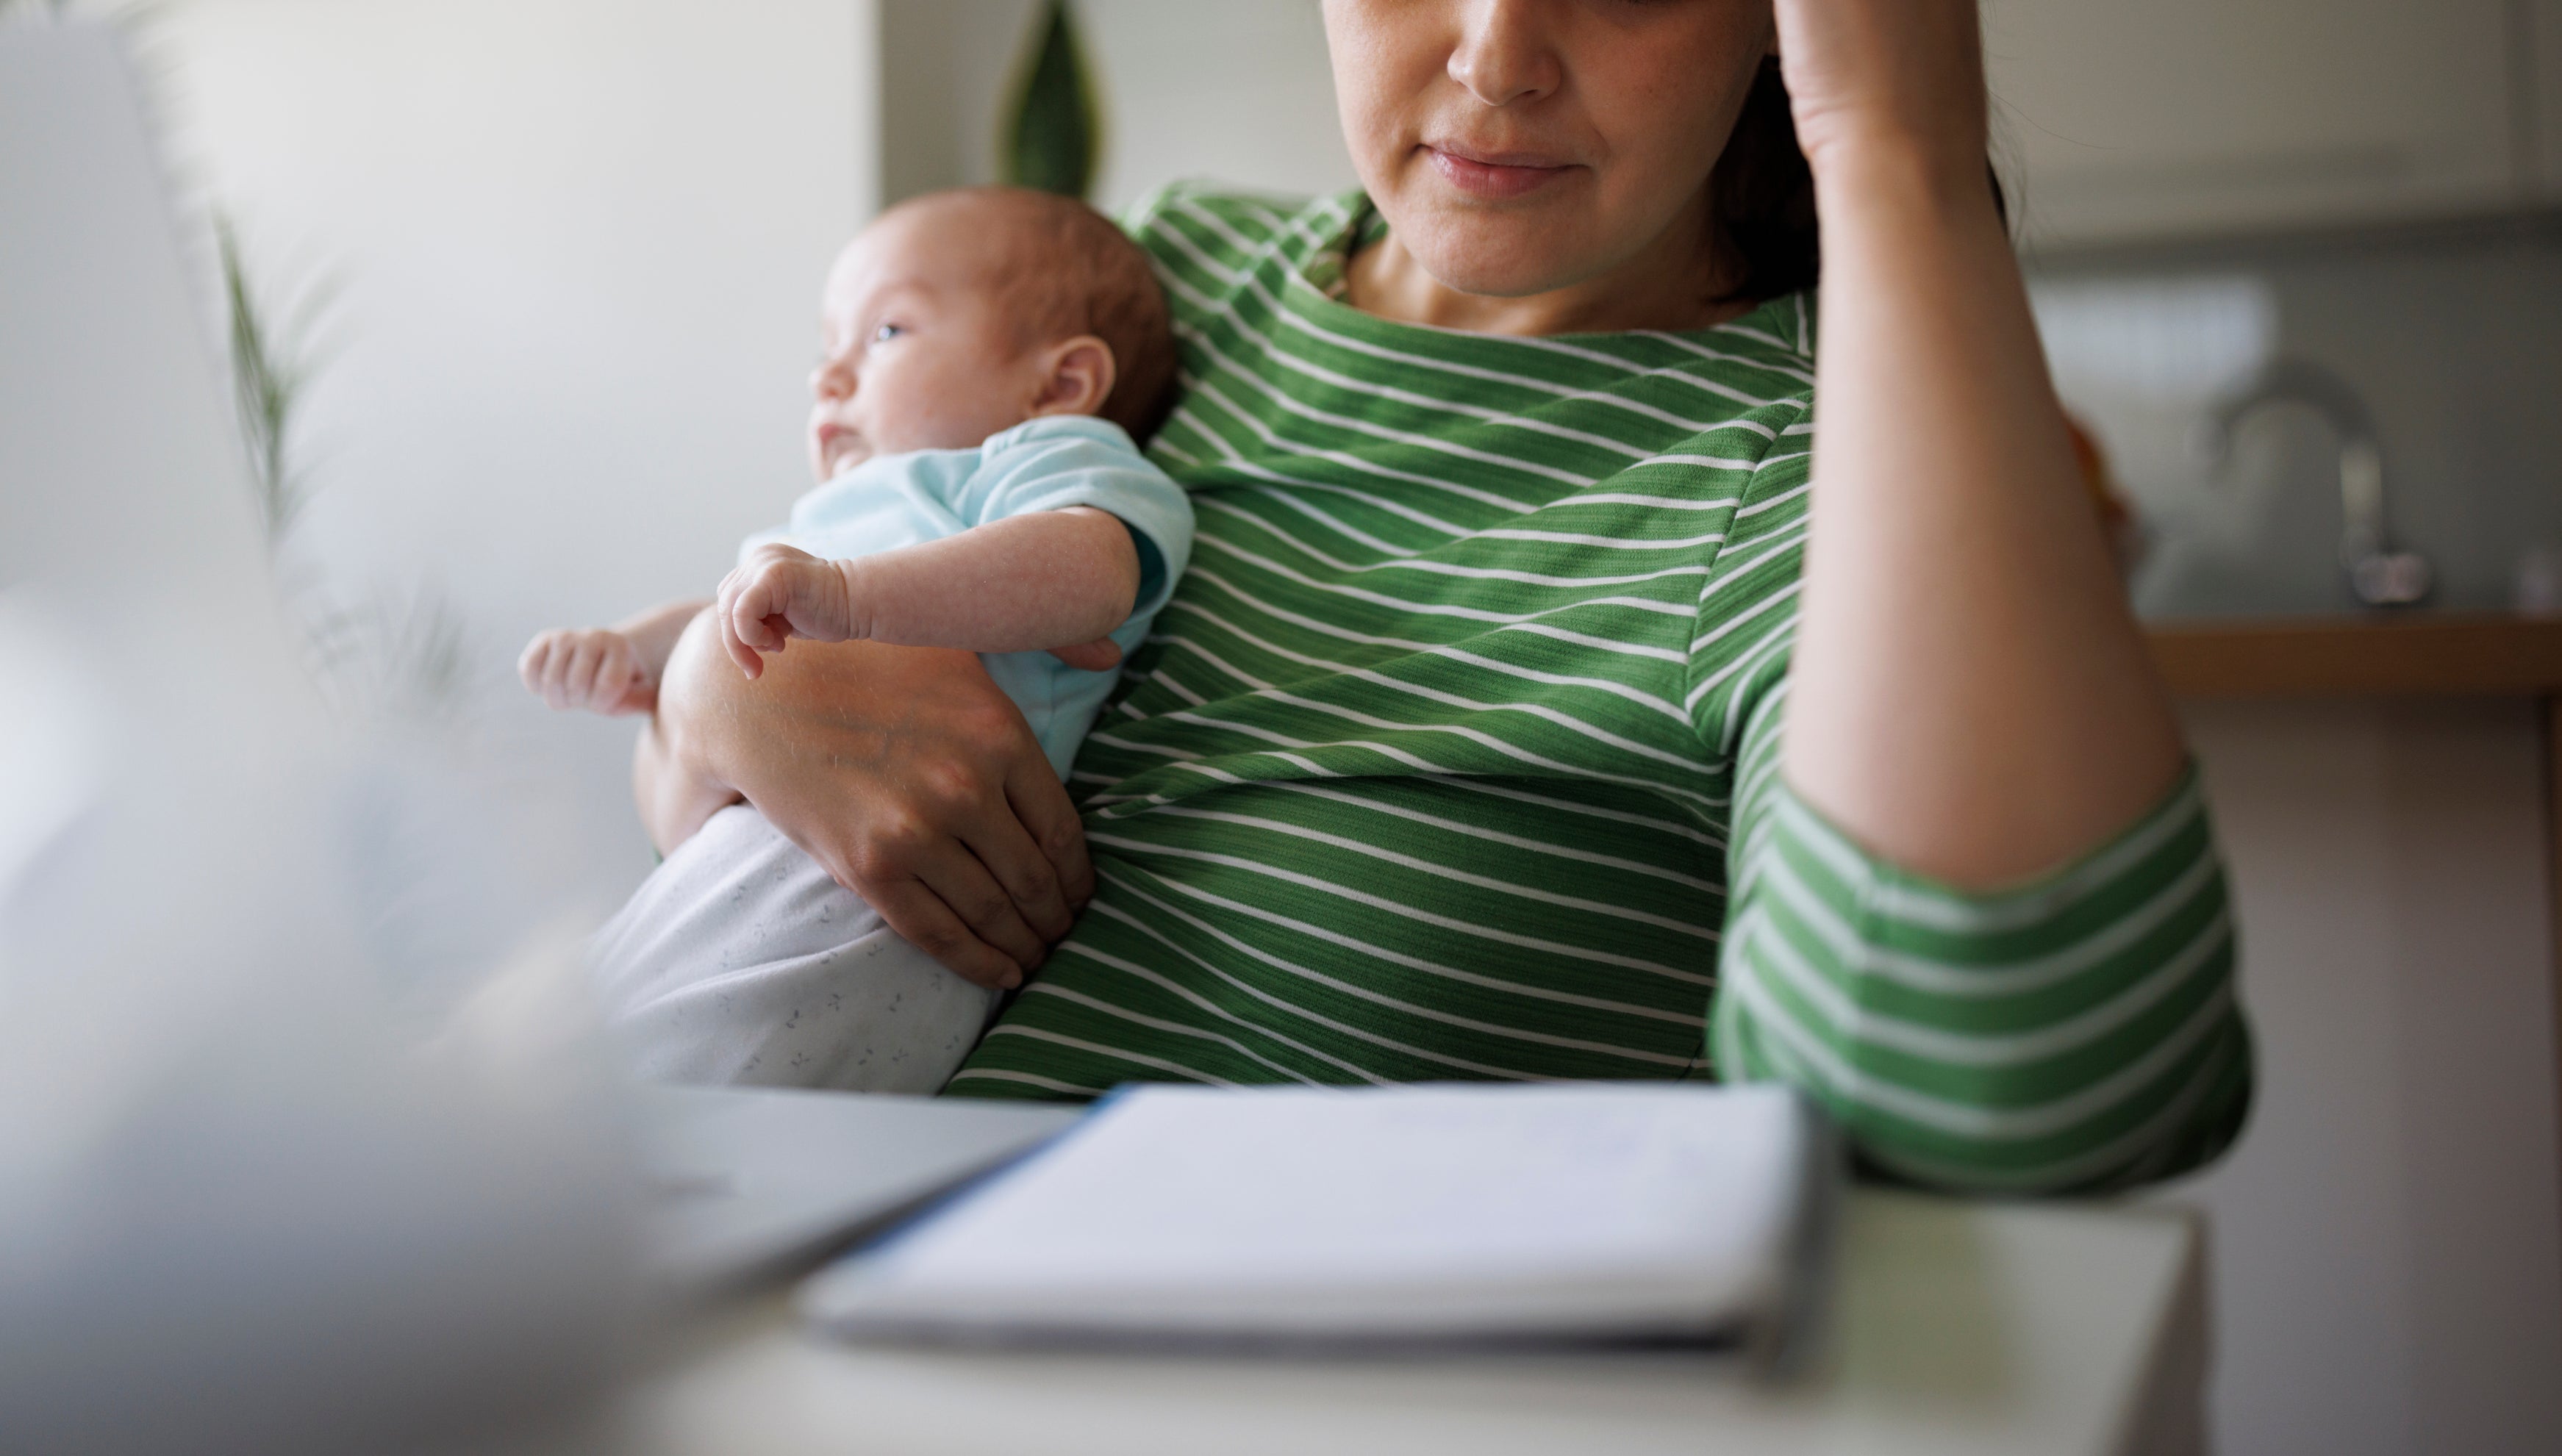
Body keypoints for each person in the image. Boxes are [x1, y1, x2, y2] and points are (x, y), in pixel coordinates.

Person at [626, 0, 2253, 1191]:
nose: (1491, 56)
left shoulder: (1811, 477)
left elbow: (2037, 1098)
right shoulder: (1151, 288)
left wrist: (1893, 146)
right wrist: (719, 686)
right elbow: (699, 802)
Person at [519, 187, 1193, 1090]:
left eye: (885, 333)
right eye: (825, 349)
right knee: (546, 1066)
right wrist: (636, 652)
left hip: (895, 897)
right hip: (761, 848)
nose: (826, 378)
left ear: (1059, 384)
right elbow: (728, 623)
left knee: (633, 1116)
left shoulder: (1041, 460)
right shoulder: (827, 523)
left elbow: (1091, 569)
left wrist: (849, 595)